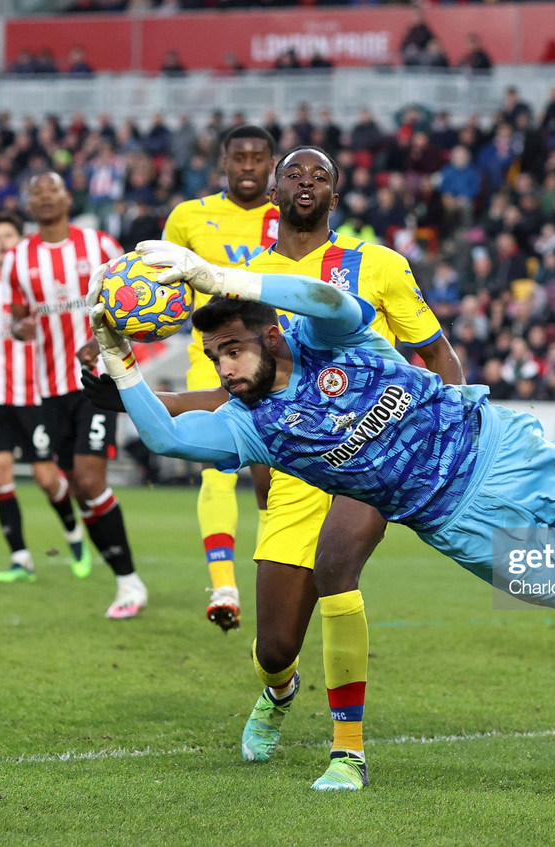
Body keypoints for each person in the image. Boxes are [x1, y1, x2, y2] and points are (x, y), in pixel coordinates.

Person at [85, 242, 555, 787]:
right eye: (212, 357)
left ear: (268, 337)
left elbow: (322, 295)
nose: (222, 369)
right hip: (459, 520)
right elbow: (168, 436)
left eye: (230, 350)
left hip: (501, 446)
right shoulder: (253, 426)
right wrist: (121, 362)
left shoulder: (328, 336)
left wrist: (224, 278)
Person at [91, 146, 462, 792]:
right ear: (273, 188)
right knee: (274, 647)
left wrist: (448, 425)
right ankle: (278, 691)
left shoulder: (377, 266)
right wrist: (121, 384)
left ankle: (348, 751)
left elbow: (438, 354)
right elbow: (225, 391)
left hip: (369, 459)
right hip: (289, 474)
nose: (306, 181)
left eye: (320, 174)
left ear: (336, 193)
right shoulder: (239, 278)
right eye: (294, 172)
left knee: (338, 569)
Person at [6, 173, 144, 619]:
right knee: (79, 490)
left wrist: (104, 341)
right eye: (36, 192)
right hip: (49, 388)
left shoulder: (100, 245)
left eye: (52, 190)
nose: (45, 197)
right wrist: (19, 328)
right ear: (29, 204)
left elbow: (131, 301)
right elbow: (17, 318)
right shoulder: (18, 259)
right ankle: (124, 577)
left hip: (94, 381)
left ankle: (128, 582)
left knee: (88, 479)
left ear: (68, 198)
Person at [160, 126, 279, 632]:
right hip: (209, 363)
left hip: (278, 362)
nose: (249, 166)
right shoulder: (189, 217)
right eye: (240, 157)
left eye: (258, 158)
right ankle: (224, 585)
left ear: (271, 164)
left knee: (273, 480)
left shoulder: (287, 217)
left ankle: (278, 575)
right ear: (224, 162)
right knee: (215, 469)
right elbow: (154, 289)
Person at [0, 211, 90, 583]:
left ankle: (74, 533)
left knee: (46, 478)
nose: (2, 242)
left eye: (9, 235)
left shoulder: (37, 285)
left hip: (36, 395)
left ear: (21, 241)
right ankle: (21, 558)